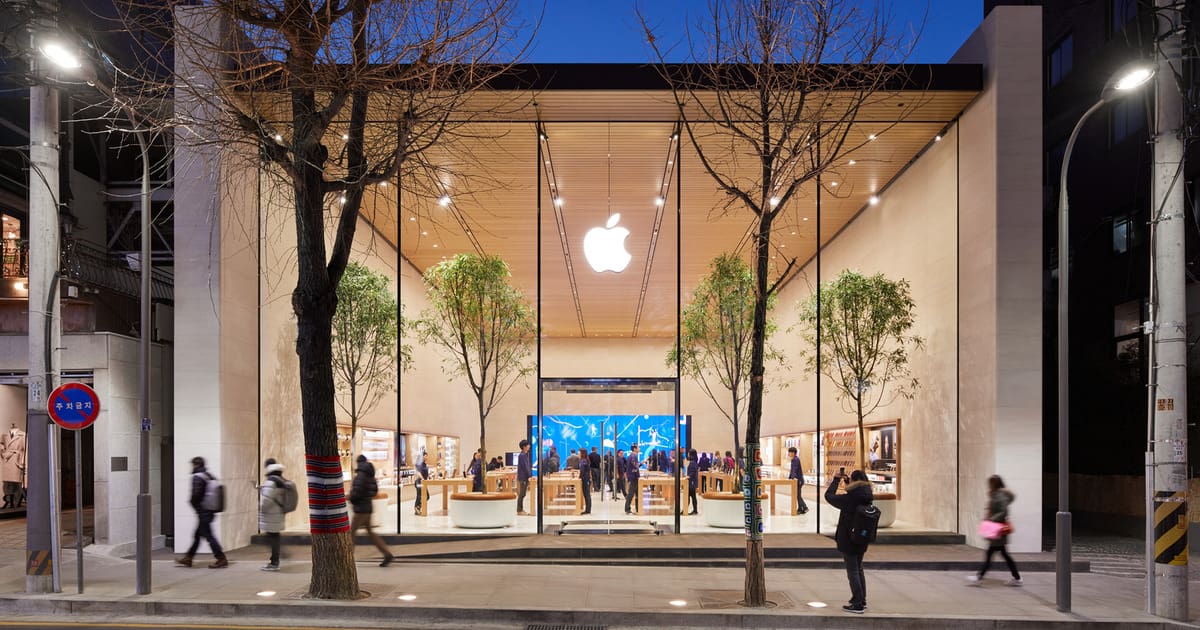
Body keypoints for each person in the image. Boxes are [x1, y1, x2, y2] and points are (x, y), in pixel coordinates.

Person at [826, 468, 874, 614]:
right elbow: (854, 492)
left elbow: (829, 496)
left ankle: (857, 603)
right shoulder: (866, 495)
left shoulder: (849, 499)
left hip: (849, 538)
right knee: (858, 569)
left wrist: (836, 480)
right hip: (861, 537)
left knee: (852, 571)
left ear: (853, 481)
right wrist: (848, 484)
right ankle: (862, 600)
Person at [968, 475, 1022, 586]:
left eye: (990, 483)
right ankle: (1016, 577)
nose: (989, 485)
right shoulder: (996, 494)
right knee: (1001, 554)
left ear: (994, 484)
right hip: (997, 530)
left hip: (998, 530)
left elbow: (1003, 511)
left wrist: (991, 519)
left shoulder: (1000, 496)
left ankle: (980, 576)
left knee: (993, 554)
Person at [177, 456, 227, 568]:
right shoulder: (209, 476)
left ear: (195, 465)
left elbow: (196, 494)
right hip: (210, 510)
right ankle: (188, 558)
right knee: (197, 535)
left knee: (208, 536)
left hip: (204, 511)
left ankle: (221, 558)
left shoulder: (198, 477)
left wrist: (194, 505)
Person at [349, 455, 394, 567]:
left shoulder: (360, 476)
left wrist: (352, 498)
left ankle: (347, 559)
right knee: (370, 533)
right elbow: (374, 492)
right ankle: (387, 553)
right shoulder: (370, 476)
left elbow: (356, 492)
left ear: (358, 463)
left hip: (360, 509)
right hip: (368, 508)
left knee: (351, 533)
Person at [258, 458, 288, 571]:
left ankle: (275, 562)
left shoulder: (271, 481)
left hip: (271, 514)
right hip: (277, 513)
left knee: (271, 538)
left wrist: (261, 508)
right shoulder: (281, 480)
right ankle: (276, 559)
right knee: (274, 537)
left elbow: (266, 499)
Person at [787, 446, 810, 514]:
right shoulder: (794, 459)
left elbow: (795, 469)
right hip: (797, 480)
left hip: (798, 480)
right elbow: (792, 470)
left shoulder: (795, 460)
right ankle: (801, 508)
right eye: (789, 452)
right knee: (797, 495)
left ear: (794, 453)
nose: (789, 453)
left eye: (790, 452)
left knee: (798, 495)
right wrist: (790, 477)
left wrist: (793, 477)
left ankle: (804, 508)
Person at [516, 439, 533, 515]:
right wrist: (530, 475)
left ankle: (520, 509)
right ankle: (519, 510)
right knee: (522, 494)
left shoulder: (523, 455)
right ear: (524, 447)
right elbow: (525, 467)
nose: (529, 446)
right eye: (527, 445)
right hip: (523, 477)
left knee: (523, 494)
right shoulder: (522, 455)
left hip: (523, 477)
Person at [624, 444, 640, 515]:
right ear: (634, 449)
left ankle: (638, 508)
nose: (639, 449)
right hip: (633, 477)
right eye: (638, 447)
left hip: (633, 476)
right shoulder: (633, 456)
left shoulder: (632, 456)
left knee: (637, 493)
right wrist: (638, 475)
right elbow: (635, 467)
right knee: (631, 493)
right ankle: (627, 508)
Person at [577, 448, 592, 515]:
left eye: (579, 452)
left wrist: (579, 477)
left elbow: (582, 471)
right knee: (586, 494)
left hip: (585, 479)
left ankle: (588, 510)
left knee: (586, 494)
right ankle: (588, 509)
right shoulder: (585, 460)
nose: (578, 453)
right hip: (586, 479)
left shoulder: (583, 461)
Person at [685, 449, 698, 515]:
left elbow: (692, 473)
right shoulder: (694, 462)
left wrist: (688, 476)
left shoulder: (692, 463)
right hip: (692, 482)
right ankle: (694, 510)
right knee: (693, 497)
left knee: (690, 496)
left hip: (691, 483)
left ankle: (686, 510)